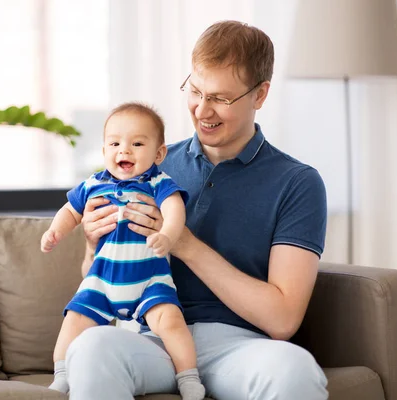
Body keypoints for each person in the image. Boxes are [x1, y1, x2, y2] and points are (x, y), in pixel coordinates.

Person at [64, 20, 329, 400]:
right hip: (149, 337)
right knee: (90, 349)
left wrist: (183, 243)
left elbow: (283, 319)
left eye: (221, 98)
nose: (202, 109)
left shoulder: (297, 183)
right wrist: (93, 244)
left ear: (260, 95)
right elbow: (99, 281)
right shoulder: (148, 165)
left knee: (295, 369)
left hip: (235, 346)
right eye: (195, 90)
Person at [41, 102, 206, 400]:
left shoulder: (157, 182)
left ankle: (188, 377)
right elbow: (70, 211)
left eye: (137, 144)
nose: (124, 151)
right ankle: (62, 376)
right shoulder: (94, 184)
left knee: (170, 321)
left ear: (158, 154)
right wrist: (56, 231)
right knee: (74, 320)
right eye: (115, 143)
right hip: (102, 279)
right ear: (104, 150)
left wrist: (168, 236)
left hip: (148, 279)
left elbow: (174, 210)